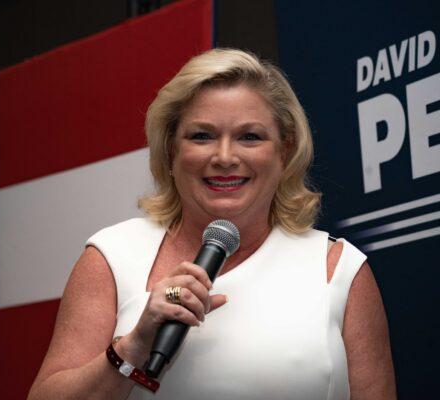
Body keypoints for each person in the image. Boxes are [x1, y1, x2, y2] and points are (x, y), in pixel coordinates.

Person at [27, 48, 396, 400]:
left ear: (284, 150)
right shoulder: (112, 256)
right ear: (171, 150)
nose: (224, 157)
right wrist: (132, 347)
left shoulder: (339, 268)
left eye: (249, 137)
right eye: (201, 136)